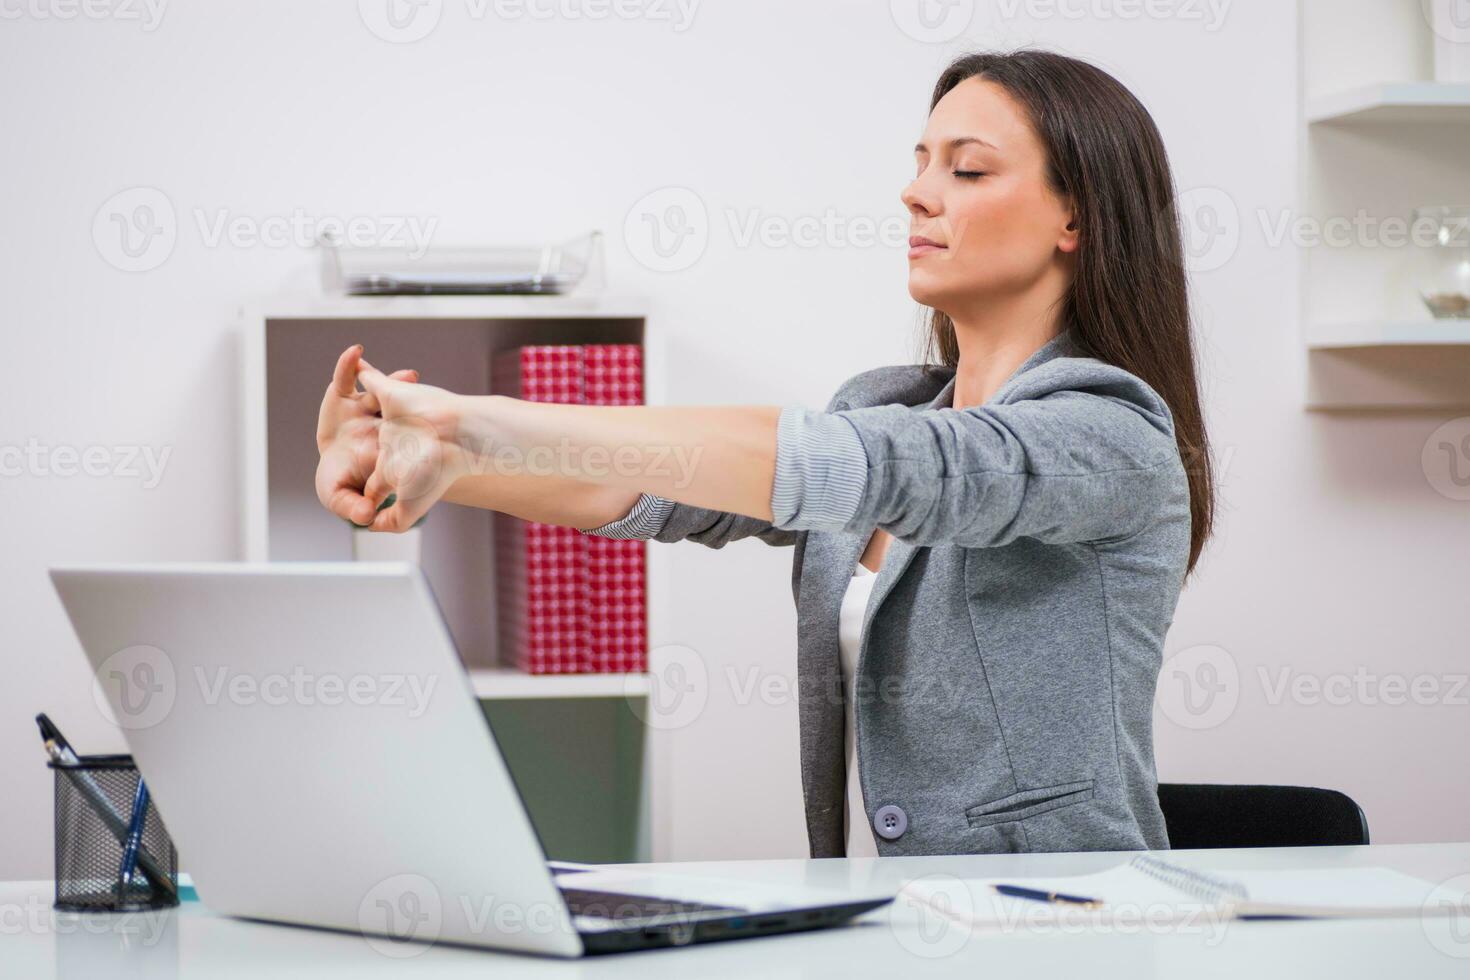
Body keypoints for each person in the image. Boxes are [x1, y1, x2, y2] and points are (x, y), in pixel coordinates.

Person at [314, 49, 1215, 858]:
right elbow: (658, 492)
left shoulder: (1110, 433)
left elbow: (871, 465)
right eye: (920, 163)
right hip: (880, 928)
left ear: (1076, 219)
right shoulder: (880, 405)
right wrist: (437, 465)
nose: (917, 192)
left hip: (1061, 934)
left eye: (968, 168)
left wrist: (470, 419)